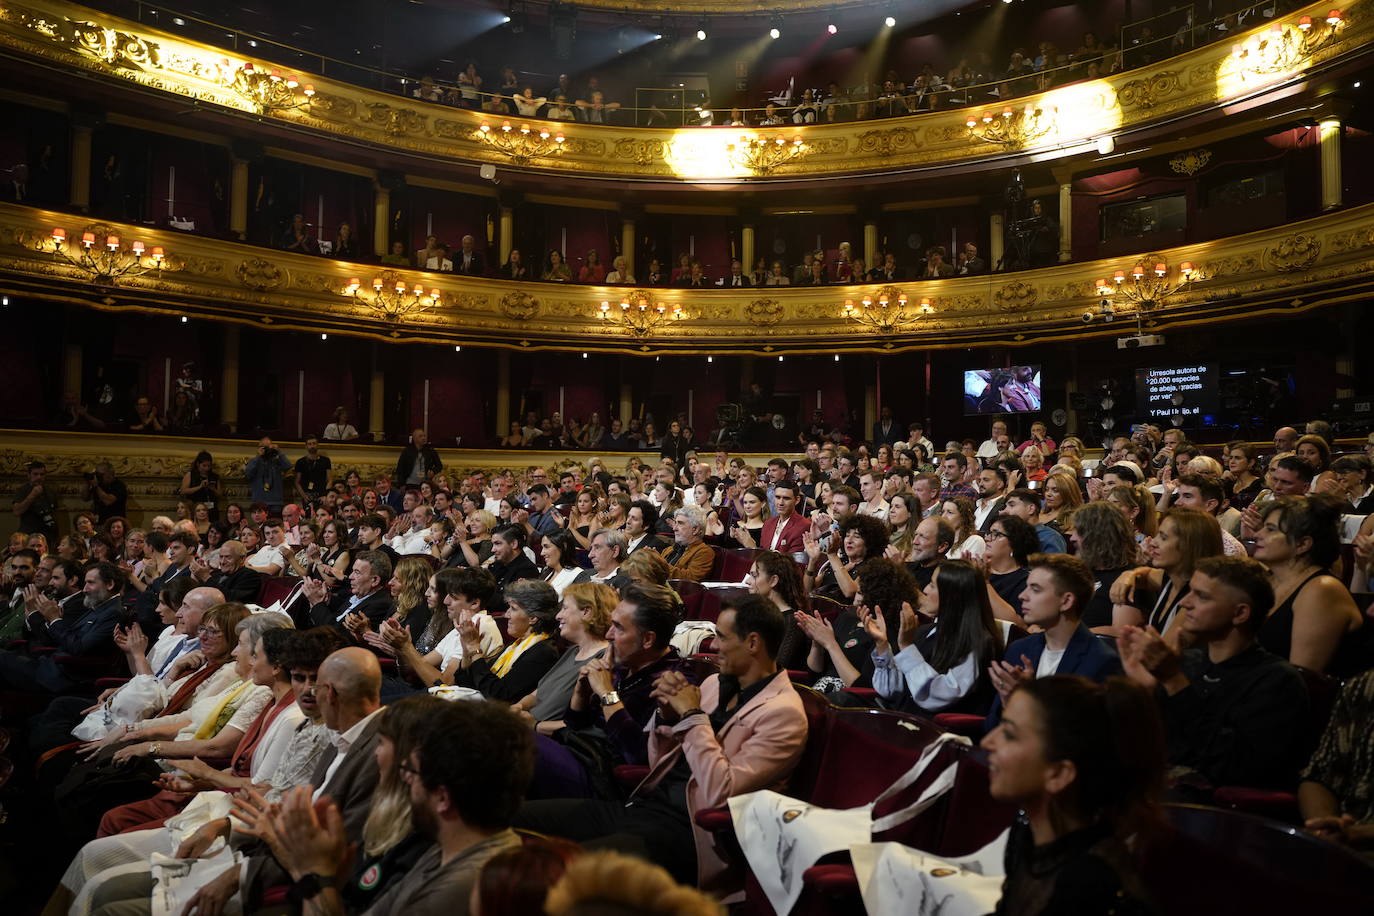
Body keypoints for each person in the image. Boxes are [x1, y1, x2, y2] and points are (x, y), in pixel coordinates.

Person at [515, 594, 807, 888]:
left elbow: (721, 791)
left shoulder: (783, 713)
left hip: (690, 832)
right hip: (643, 805)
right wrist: (667, 718)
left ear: (753, 643)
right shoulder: (713, 685)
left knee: (562, 872)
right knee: (510, 820)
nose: (713, 646)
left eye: (720, 637)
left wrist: (691, 715)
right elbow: (655, 760)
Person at [1120, 555, 1309, 791]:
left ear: (1240, 613)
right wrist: (1144, 690)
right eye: (1190, 592)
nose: (1185, 603)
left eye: (1201, 596)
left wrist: (1173, 682)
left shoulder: (1277, 681)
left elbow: (1232, 768)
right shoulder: (1186, 663)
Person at [983, 675, 1163, 916]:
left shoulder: (1091, 885)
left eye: (1009, 734)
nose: (986, 742)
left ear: (1058, 773)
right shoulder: (1027, 833)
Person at [987, 554, 1123, 727]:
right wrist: (1008, 702)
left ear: (1066, 601)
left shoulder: (1101, 661)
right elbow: (991, 727)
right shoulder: (1019, 648)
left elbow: (1086, 739)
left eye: (1035, 589)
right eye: (1026, 587)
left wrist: (1030, 700)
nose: (1022, 595)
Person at [868, 560, 1003, 715]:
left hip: (933, 732)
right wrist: (882, 644)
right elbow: (891, 691)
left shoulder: (978, 643)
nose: (925, 589)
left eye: (932, 585)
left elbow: (935, 696)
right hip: (900, 721)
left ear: (951, 595)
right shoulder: (923, 632)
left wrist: (906, 647)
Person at [1252, 495, 1364, 675]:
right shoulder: (1268, 579)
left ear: (1302, 544)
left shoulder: (1321, 590)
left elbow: (1303, 679)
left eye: (1270, 529)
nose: (1257, 535)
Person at [0, 561, 125, 697]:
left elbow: (78, 648)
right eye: (85, 583)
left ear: (110, 584)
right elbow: (66, 638)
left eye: (91, 583)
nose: (84, 589)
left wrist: (54, 619)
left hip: (60, 677)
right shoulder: (100, 607)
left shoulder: (113, 613)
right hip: (48, 665)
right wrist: (53, 620)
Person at [512, 581, 614, 733]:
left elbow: (589, 726)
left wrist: (534, 726)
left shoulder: (604, 660)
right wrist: (518, 707)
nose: (558, 616)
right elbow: (539, 693)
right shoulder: (573, 651)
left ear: (586, 611)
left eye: (565, 608)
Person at [1110, 507, 1223, 638]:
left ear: (1189, 546)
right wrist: (1128, 575)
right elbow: (1146, 574)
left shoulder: (1194, 601)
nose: (1153, 543)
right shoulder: (1173, 577)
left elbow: (1165, 653)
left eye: (1163, 538)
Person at [453, 579, 560, 702]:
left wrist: (474, 647)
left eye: (513, 609)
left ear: (533, 618)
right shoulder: (514, 645)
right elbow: (465, 684)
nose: (506, 615)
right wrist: (467, 651)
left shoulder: (543, 652)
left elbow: (498, 695)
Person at [1068, 502, 1139, 629]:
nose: (1072, 538)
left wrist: (1064, 633)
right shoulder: (1079, 573)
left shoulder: (1130, 579)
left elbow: (1121, 634)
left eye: (1079, 532)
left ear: (1100, 535)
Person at [746, 549, 812, 672]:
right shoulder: (758, 615)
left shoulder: (795, 621)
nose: (747, 581)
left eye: (754, 575)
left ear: (773, 581)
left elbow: (779, 666)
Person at [305, 549, 395, 631]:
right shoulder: (362, 593)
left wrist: (317, 603)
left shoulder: (380, 604)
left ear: (375, 580)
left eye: (357, 572)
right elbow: (344, 610)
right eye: (352, 571)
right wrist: (326, 598)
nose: (351, 577)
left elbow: (336, 635)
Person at [659, 507, 714, 582]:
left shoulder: (704, 552)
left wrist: (658, 562)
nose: (674, 528)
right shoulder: (668, 550)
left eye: (680, 523)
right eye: (675, 523)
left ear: (695, 530)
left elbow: (690, 580)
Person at [13, 459, 59, 544]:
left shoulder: (50, 491)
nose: (39, 477)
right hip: (28, 534)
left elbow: (55, 512)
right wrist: (32, 495)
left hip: (48, 534)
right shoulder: (22, 490)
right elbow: (17, 512)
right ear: (28, 475)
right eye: (35, 474)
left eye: (42, 474)